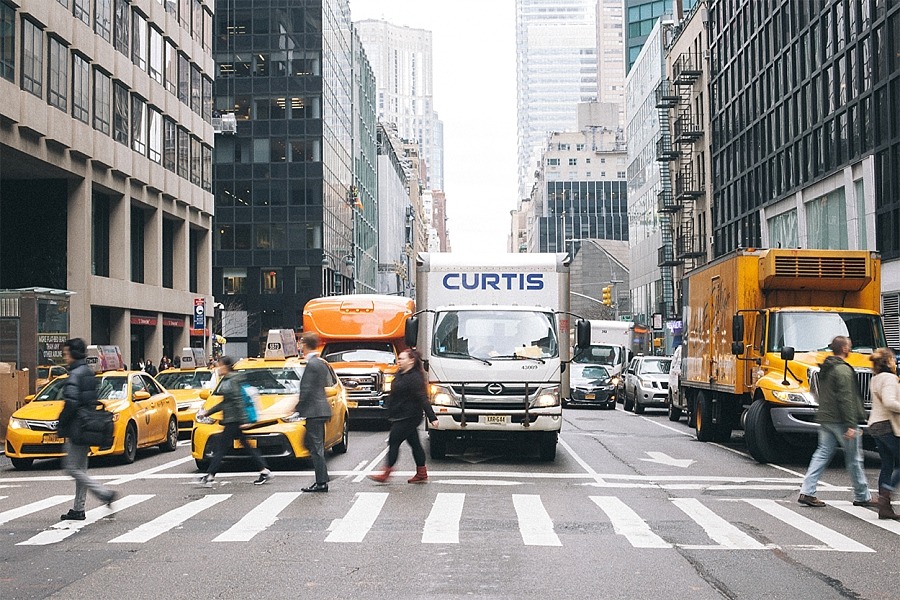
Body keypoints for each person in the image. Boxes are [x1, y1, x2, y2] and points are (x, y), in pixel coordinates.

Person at [798, 336, 876, 508]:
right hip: (841, 420)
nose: (851, 348)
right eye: (849, 345)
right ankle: (862, 495)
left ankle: (807, 491)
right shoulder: (843, 370)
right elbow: (846, 399)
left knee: (822, 454)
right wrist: (850, 425)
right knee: (854, 458)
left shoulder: (826, 368)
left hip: (826, 418)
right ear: (844, 349)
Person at [57, 338, 117, 520]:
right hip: (87, 425)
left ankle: (104, 493)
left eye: (66, 353)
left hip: (77, 425)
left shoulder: (75, 374)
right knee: (80, 469)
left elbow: (72, 402)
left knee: (71, 468)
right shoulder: (88, 372)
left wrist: (61, 422)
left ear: (73, 354)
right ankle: (78, 508)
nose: (65, 357)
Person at [196, 356, 271, 486]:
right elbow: (225, 403)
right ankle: (264, 470)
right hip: (232, 420)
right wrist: (207, 412)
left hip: (234, 421)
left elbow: (238, 400)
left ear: (225, 366)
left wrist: (243, 420)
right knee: (245, 447)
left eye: (219, 365)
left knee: (221, 448)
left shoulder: (233, 380)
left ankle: (210, 475)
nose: (217, 368)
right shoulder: (227, 380)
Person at [370, 348, 439, 483]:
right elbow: (395, 394)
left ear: (411, 360)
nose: (399, 361)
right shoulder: (400, 373)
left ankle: (386, 472)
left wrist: (432, 417)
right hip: (400, 414)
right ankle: (421, 473)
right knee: (415, 444)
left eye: (402, 359)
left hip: (409, 416)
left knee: (394, 441)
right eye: (399, 359)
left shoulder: (415, 378)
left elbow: (422, 398)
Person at [294, 332, 331, 493]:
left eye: (300, 343)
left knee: (315, 448)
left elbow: (307, 389)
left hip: (314, 411)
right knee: (313, 445)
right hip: (320, 409)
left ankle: (321, 482)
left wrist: (296, 408)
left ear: (305, 344)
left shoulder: (312, 364)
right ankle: (323, 476)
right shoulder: (320, 362)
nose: (299, 346)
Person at [867, 348, 900, 519]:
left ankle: (884, 508)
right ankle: (885, 495)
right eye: (893, 360)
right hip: (887, 426)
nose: (895, 363)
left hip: (875, 425)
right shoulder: (890, 378)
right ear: (887, 362)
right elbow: (889, 402)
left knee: (887, 464)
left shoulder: (876, 378)